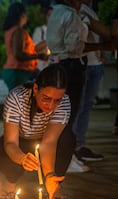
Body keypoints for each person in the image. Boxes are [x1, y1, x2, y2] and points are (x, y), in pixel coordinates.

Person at [46, 0, 116, 173]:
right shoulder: (71, 15)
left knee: (64, 116)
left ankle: (64, 157)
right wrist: (103, 46)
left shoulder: (59, 12)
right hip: (70, 67)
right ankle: (65, 160)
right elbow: (74, 47)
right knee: (68, 116)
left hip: (61, 66)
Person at [0, 64, 73, 199]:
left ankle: (54, 187)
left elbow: (49, 143)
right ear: (36, 89)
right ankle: (10, 181)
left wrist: (49, 175)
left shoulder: (64, 103)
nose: (51, 106)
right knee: (7, 151)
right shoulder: (17, 97)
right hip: (20, 141)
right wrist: (21, 158)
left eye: (57, 100)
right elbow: (10, 143)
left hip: (44, 142)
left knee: (67, 138)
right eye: (46, 98)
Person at [73, 0, 105, 162]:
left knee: (86, 106)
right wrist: (104, 46)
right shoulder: (77, 9)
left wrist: (102, 51)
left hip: (96, 63)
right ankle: (73, 148)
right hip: (84, 64)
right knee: (78, 106)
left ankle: (79, 145)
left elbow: (96, 33)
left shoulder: (90, 10)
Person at [2, 2, 49, 91]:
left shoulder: (9, 31)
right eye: (26, 13)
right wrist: (39, 56)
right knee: (20, 102)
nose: (27, 16)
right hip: (18, 71)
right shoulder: (18, 31)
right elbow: (18, 54)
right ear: (22, 15)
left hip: (15, 70)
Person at [32, 6, 53, 72]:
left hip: (56, 68)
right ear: (46, 17)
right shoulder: (40, 30)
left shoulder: (61, 32)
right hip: (42, 69)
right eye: (49, 15)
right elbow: (35, 48)